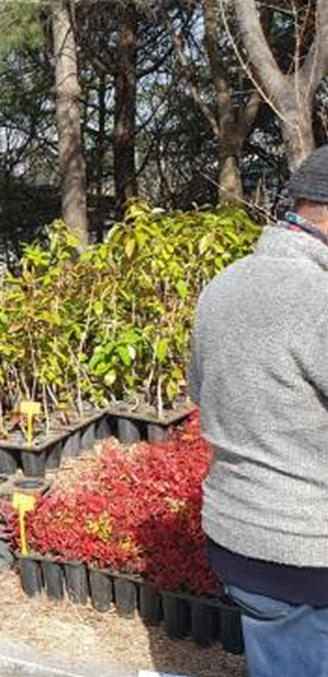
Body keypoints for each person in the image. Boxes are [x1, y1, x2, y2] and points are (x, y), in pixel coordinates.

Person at [190, 146, 328, 677]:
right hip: (307, 552)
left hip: (236, 539)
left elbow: (202, 394)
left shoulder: (222, 285)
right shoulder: (319, 297)